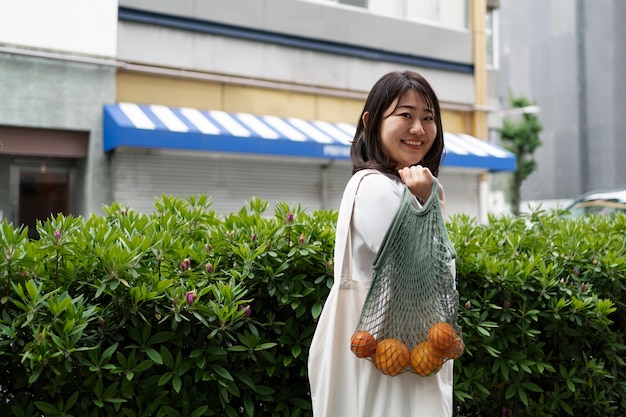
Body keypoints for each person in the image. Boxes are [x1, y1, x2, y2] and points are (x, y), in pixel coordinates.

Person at [308, 70, 453, 417]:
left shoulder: (398, 188)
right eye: (405, 115)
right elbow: (426, 274)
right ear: (372, 122)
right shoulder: (374, 187)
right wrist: (426, 201)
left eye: (428, 118)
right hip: (386, 363)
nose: (419, 129)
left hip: (402, 356)